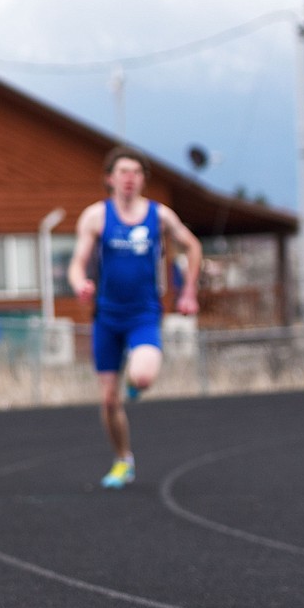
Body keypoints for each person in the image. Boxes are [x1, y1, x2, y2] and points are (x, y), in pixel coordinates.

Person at [67, 146, 202, 489]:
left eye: (136, 172)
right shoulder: (96, 217)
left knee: (142, 378)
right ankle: (123, 459)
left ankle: (133, 382)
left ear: (143, 179)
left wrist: (188, 291)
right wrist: (80, 284)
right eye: (123, 172)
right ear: (110, 178)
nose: (129, 178)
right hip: (107, 318)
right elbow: (77, 263)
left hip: (143, 315)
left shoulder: (159, 216)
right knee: (109, 400)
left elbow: (193, 246)